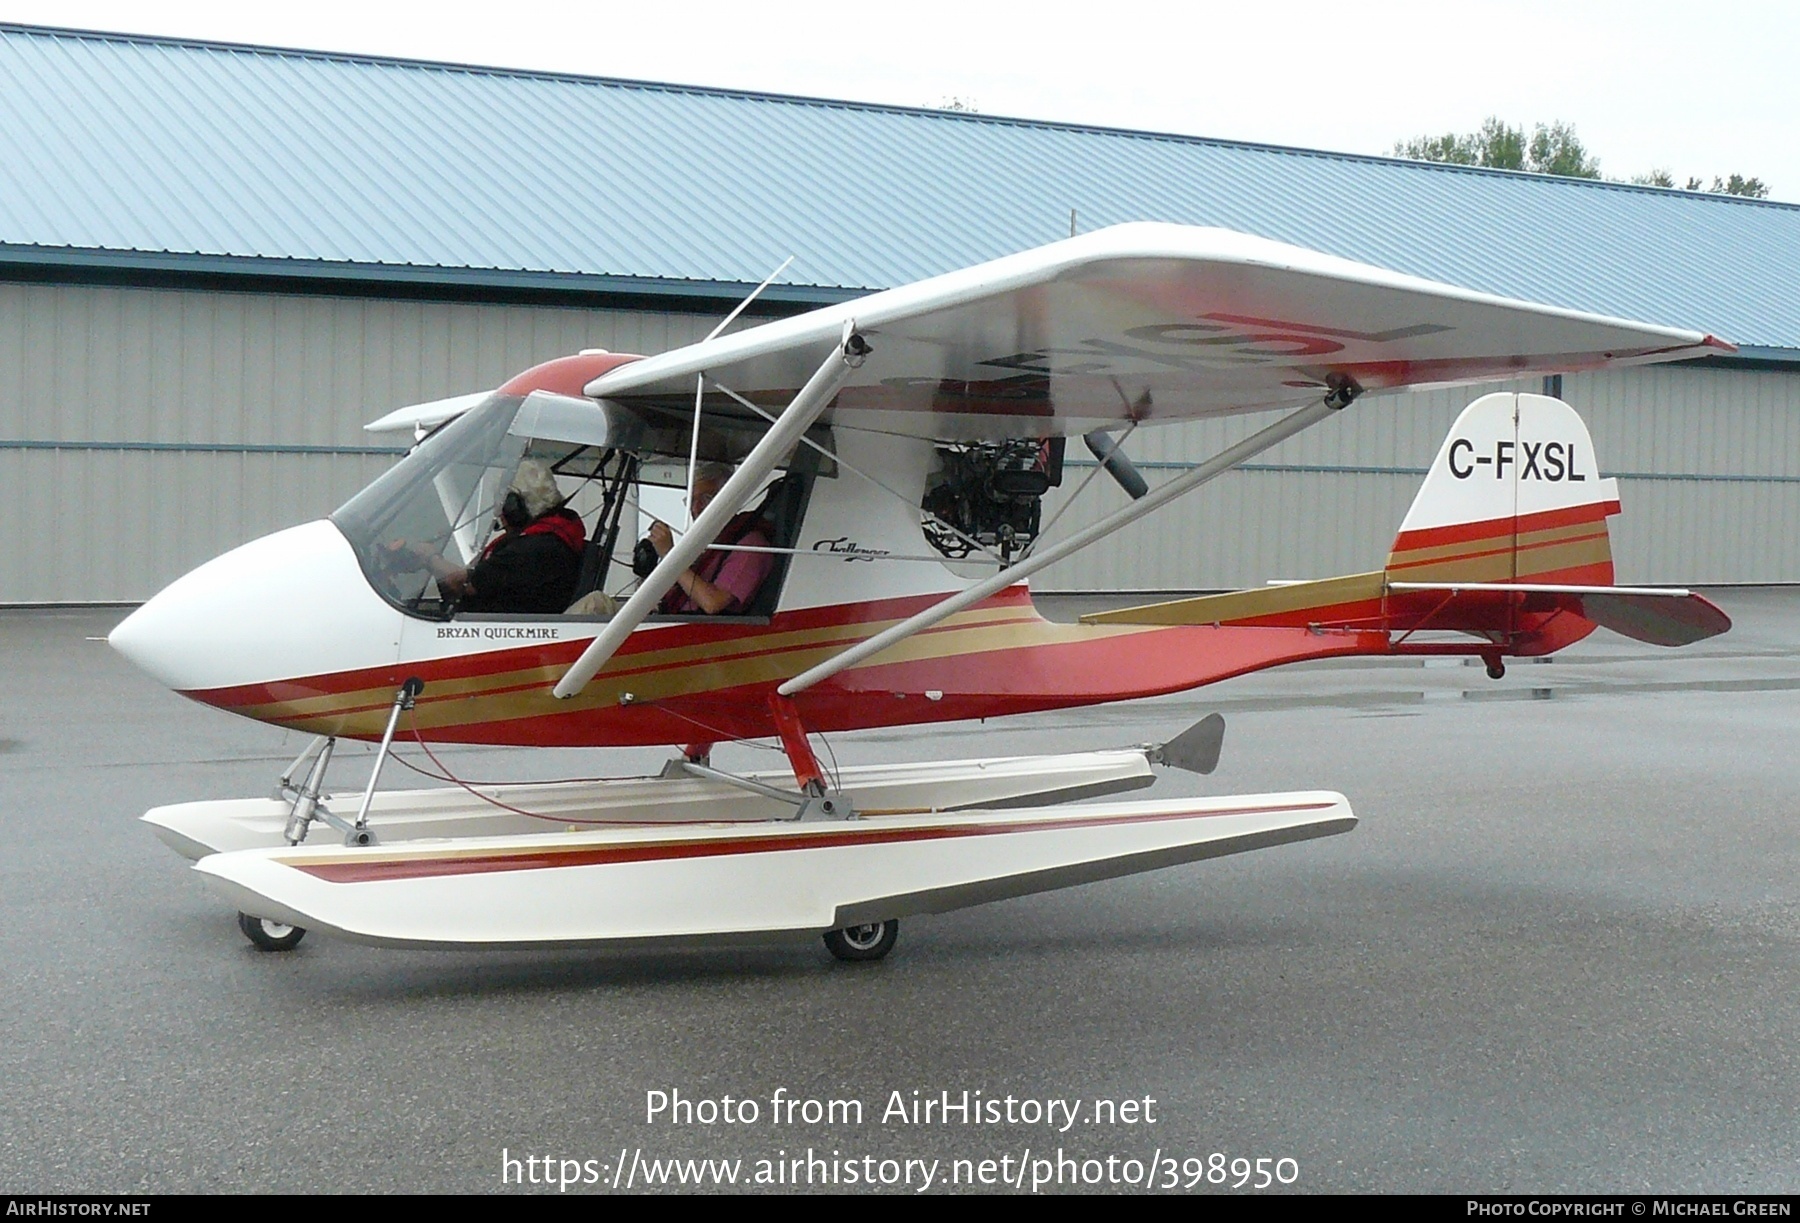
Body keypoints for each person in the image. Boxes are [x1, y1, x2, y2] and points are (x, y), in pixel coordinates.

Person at [400, 460, 585, 613]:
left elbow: (463, 583)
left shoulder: (534, 548)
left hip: (496, 636)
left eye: (502, 503)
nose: (498, 513)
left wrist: (430, 557)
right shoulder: (549, 539)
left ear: (514, 506)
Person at [648, 462, 775, 615]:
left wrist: (670, 555)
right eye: (692, 501)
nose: (695, 509)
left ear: (730, 499)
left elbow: (713, 603)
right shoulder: (709, 544)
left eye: (706, 499)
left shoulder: (751, 545)